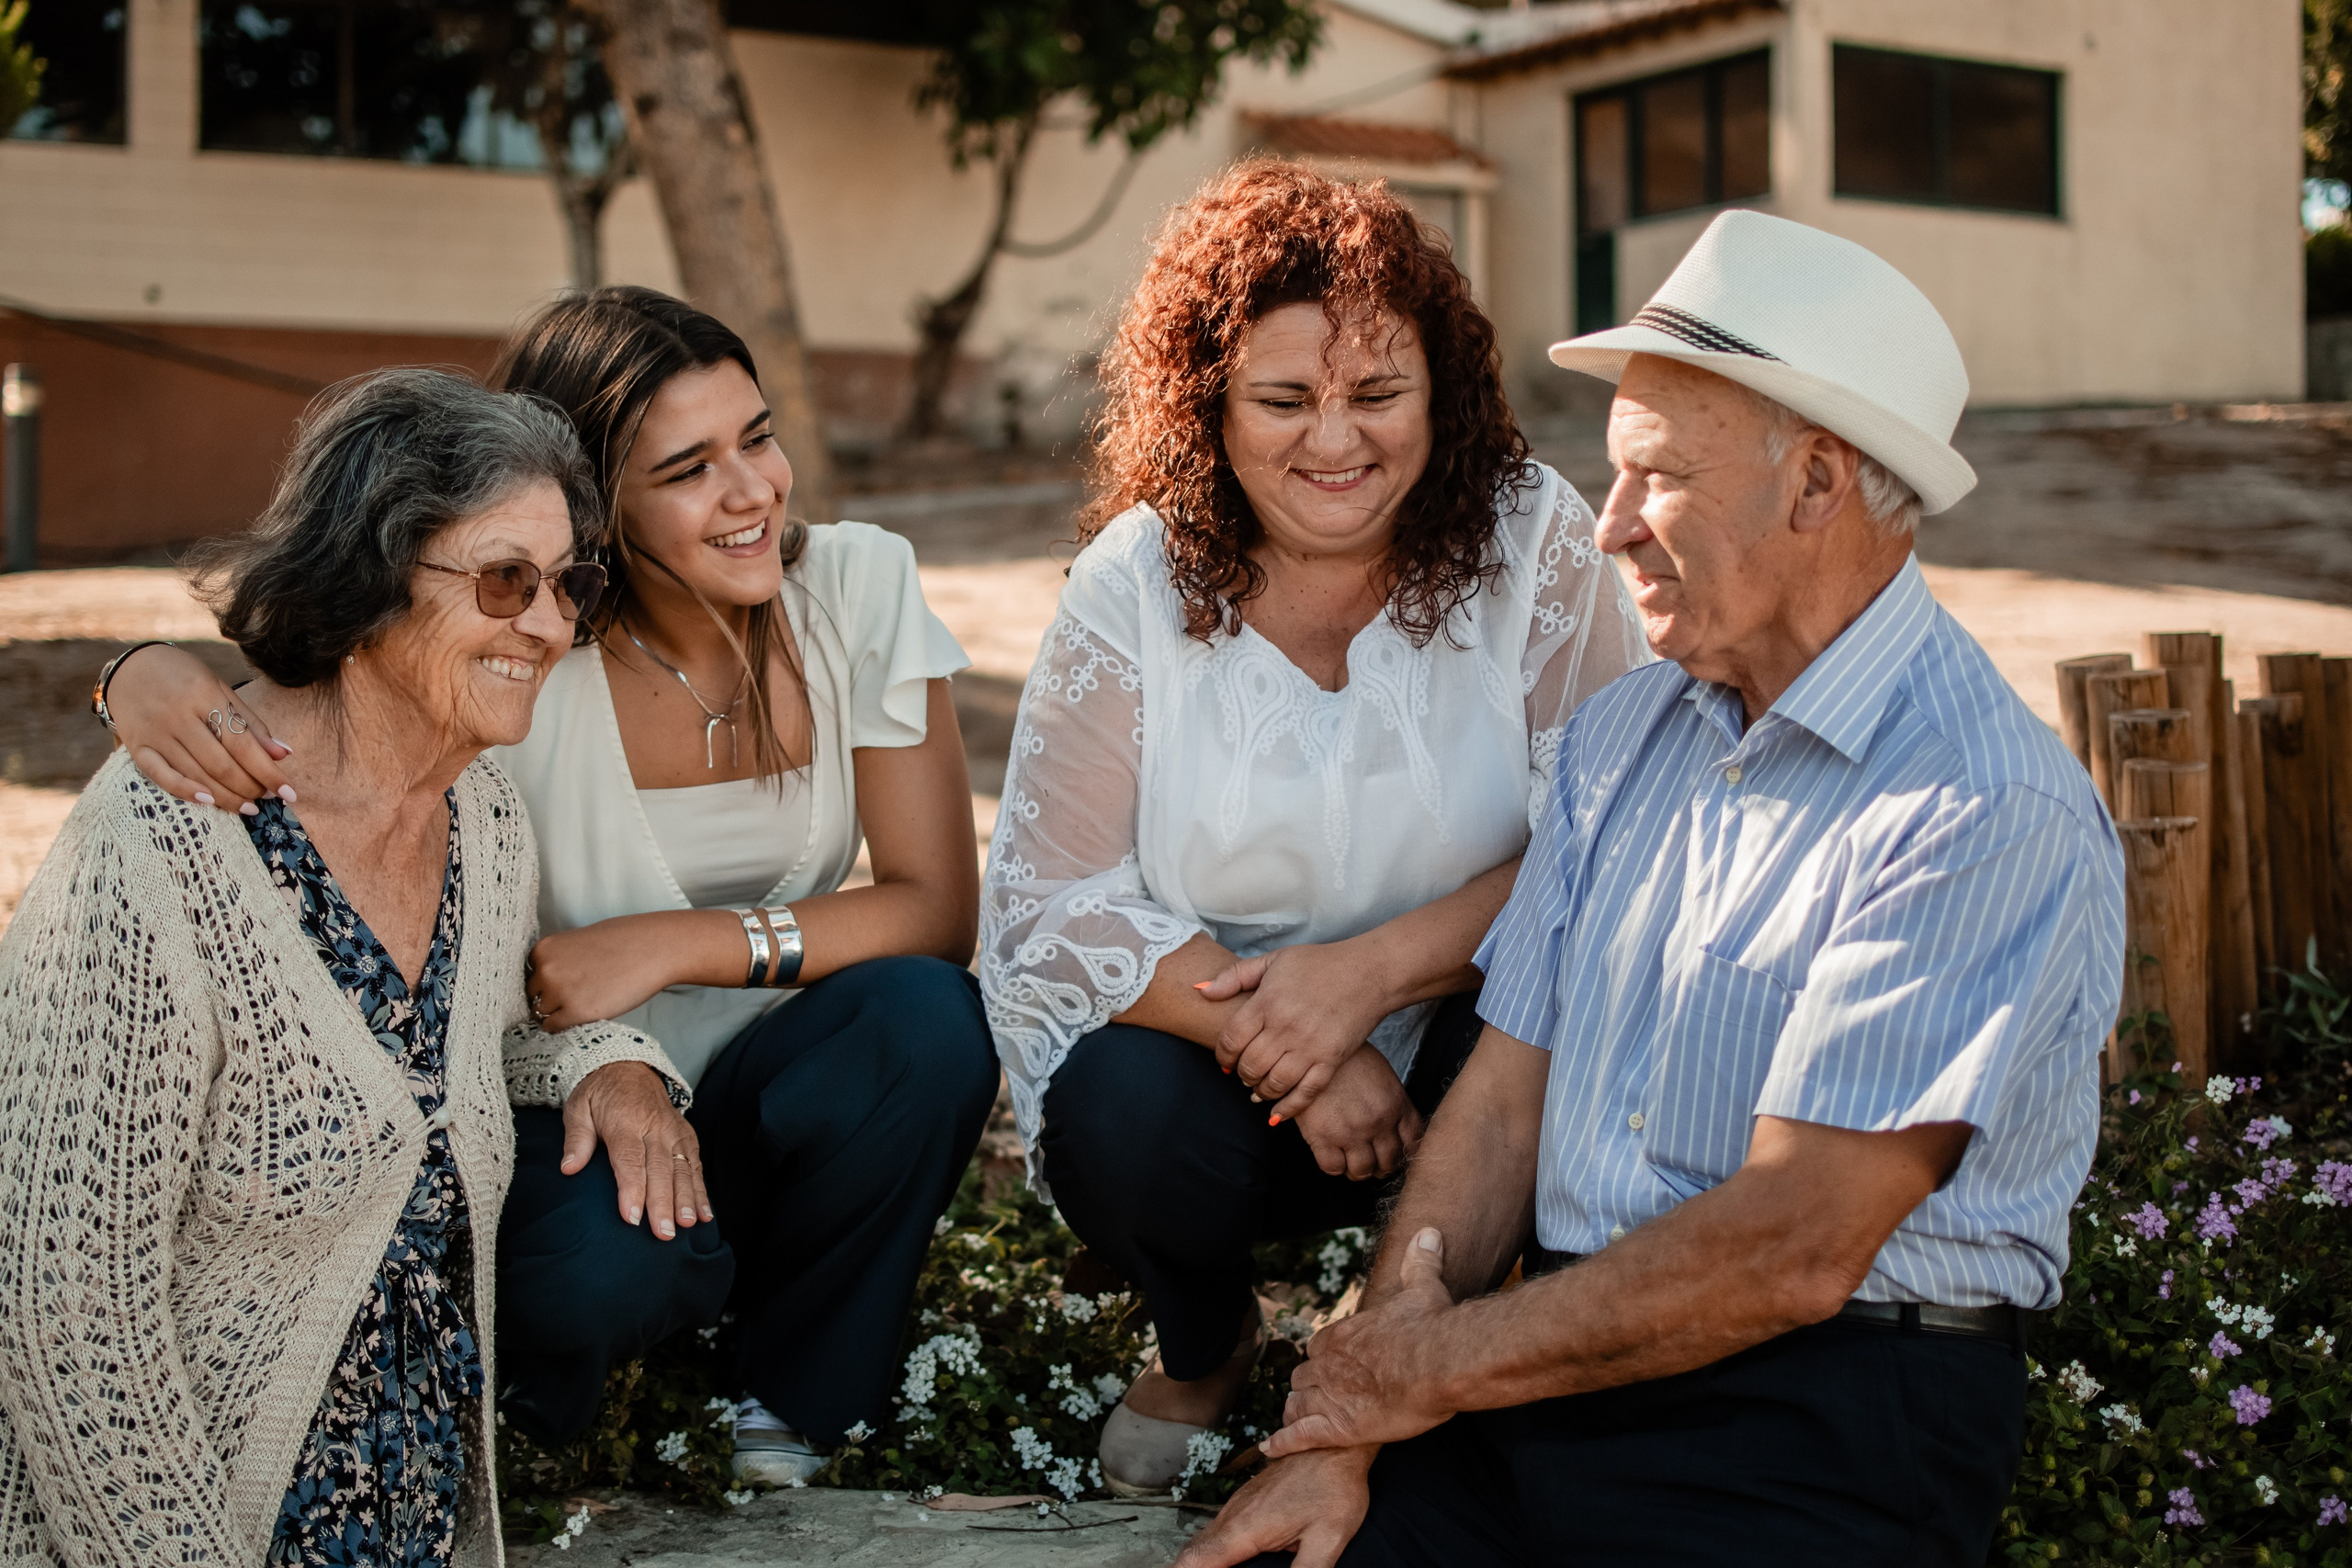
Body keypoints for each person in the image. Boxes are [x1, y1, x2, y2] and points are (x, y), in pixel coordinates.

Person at [1178, 209, 2128, 1568]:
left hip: (1826, 1414)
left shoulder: (1980, 805)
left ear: (1816, 484)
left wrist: (1425, 1368)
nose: (1607, 525)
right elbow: (1502, 1107)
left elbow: (1796, 1246)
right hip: (1537, 1375)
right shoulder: (1626, 737)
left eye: (1656, 479)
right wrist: (1350, 1434)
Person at [97, 288, 1000, 1488]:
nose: (754, 494)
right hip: (560, 1092)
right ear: (593, 505)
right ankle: (540, 1408)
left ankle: (791, 1403)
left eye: (759, 436)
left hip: (780, 1091)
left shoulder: (856, 587)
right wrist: (133, 672)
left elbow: (936, 911)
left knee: (927, 1020)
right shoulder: (522, 648)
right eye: (688, 467)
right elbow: (316, 682)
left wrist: (673, 942)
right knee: (602, 1271)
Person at [979, 162, 1650, 1495]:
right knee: (1113, 1111)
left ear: (1439, 396)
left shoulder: (1534, 543)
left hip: (1475, 1031)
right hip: (1230, 1073)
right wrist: (1281, 1032)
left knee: (1586, 1017)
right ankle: (1209, 1338)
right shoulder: (1138, 578)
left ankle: (1435, 1333)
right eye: (1283, 400)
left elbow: (1617, 828)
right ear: (1208, 409)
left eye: (1378, 394)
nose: (1334, 442)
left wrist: (1375, 974)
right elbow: (1047, 902)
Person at [0, 368, 611, 1562]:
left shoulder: (485, 822)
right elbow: (64, 1306)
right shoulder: (171, 833)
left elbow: (467, 1062)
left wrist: (619, 1062)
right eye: (505, 581)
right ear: (373, 580)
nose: (550, 623)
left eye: (570, 582)